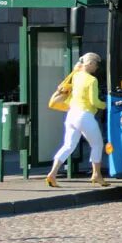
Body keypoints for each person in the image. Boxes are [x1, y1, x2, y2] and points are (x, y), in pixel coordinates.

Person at [45, 52, 108, 188]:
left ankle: (52, 174)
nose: (96, 68)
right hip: (85, 115)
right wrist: (106, 105)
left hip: (71, 114)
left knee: (68, 145)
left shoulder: (76, 76)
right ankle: (96, 174)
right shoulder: (92, 80)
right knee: (97, 145)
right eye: (96, 65)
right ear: (90, 63)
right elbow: (94, 101)